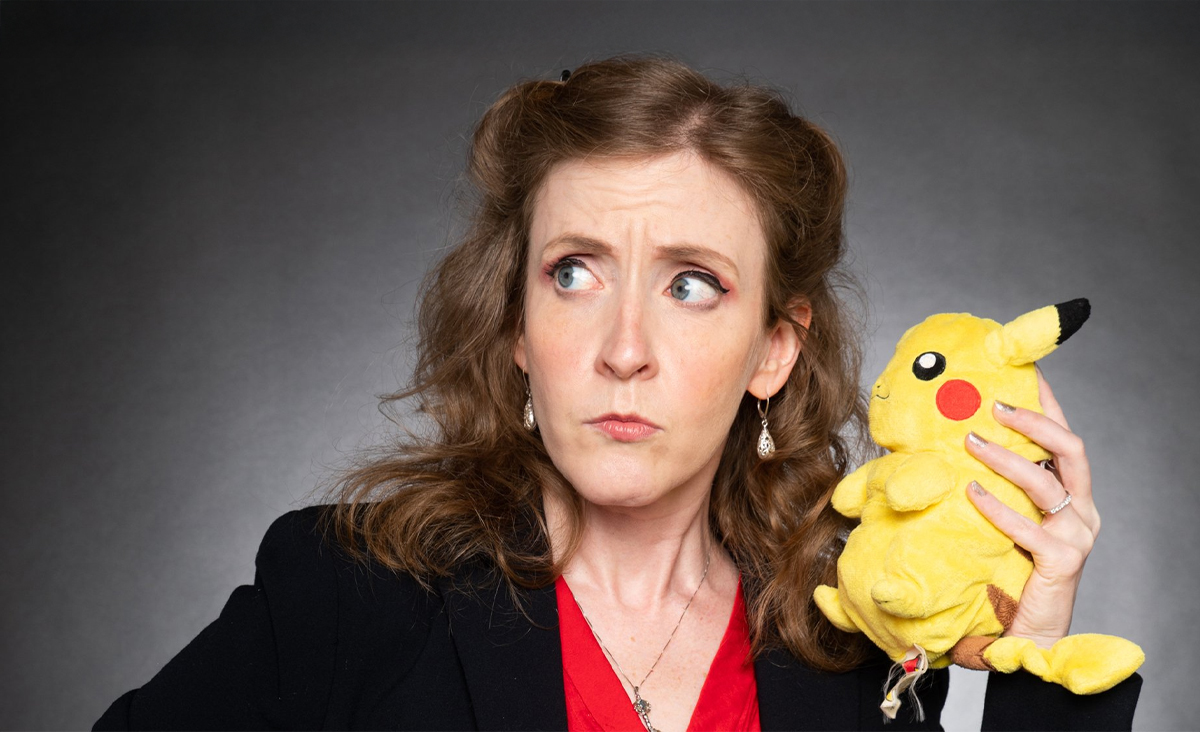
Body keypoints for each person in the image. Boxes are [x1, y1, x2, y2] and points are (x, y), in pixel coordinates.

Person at [93, 54, 1142, 731]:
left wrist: (1036, 648)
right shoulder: (344, 589)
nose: (623, 348)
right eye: (574, 273)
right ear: (517, 325)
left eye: (693, 284)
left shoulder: (852, 642)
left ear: (773, 351)